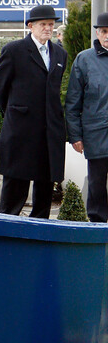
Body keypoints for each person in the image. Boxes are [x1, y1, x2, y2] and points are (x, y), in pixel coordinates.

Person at [0, 5, 67, 218]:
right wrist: (15, 114)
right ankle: (6, 229)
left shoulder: (60, 53)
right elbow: (0, 89)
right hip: (21, 130)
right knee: (15, 185)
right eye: (43, 24)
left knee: (45, 188)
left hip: (49, 132)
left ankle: (40, 231)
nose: (48, 28)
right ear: (30, 26)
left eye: (51, 25)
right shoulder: (14, 50)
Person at [66, 11, 108, 222]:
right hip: (96, 135)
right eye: (104, 31)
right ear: (98, 33)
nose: (107, 36)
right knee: (97, 186)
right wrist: (75, 136)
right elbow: (73, 102)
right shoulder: (84, 60)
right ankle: (98, 229)